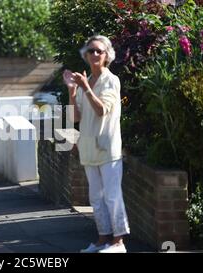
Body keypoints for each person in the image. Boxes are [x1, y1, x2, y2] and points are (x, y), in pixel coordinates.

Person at [64, 35, 130, 253]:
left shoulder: (111, 81)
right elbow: (76, 118)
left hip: (107, 146)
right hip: (89, 147)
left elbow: (102, 110)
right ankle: (103, 240)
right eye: (90, 51)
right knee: (96, 198)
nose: (94, 54)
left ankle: (118, 242)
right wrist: (72, 92)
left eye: (98, 51)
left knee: (112, 196)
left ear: (106, 55)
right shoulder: (86, 81)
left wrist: (85, 88)